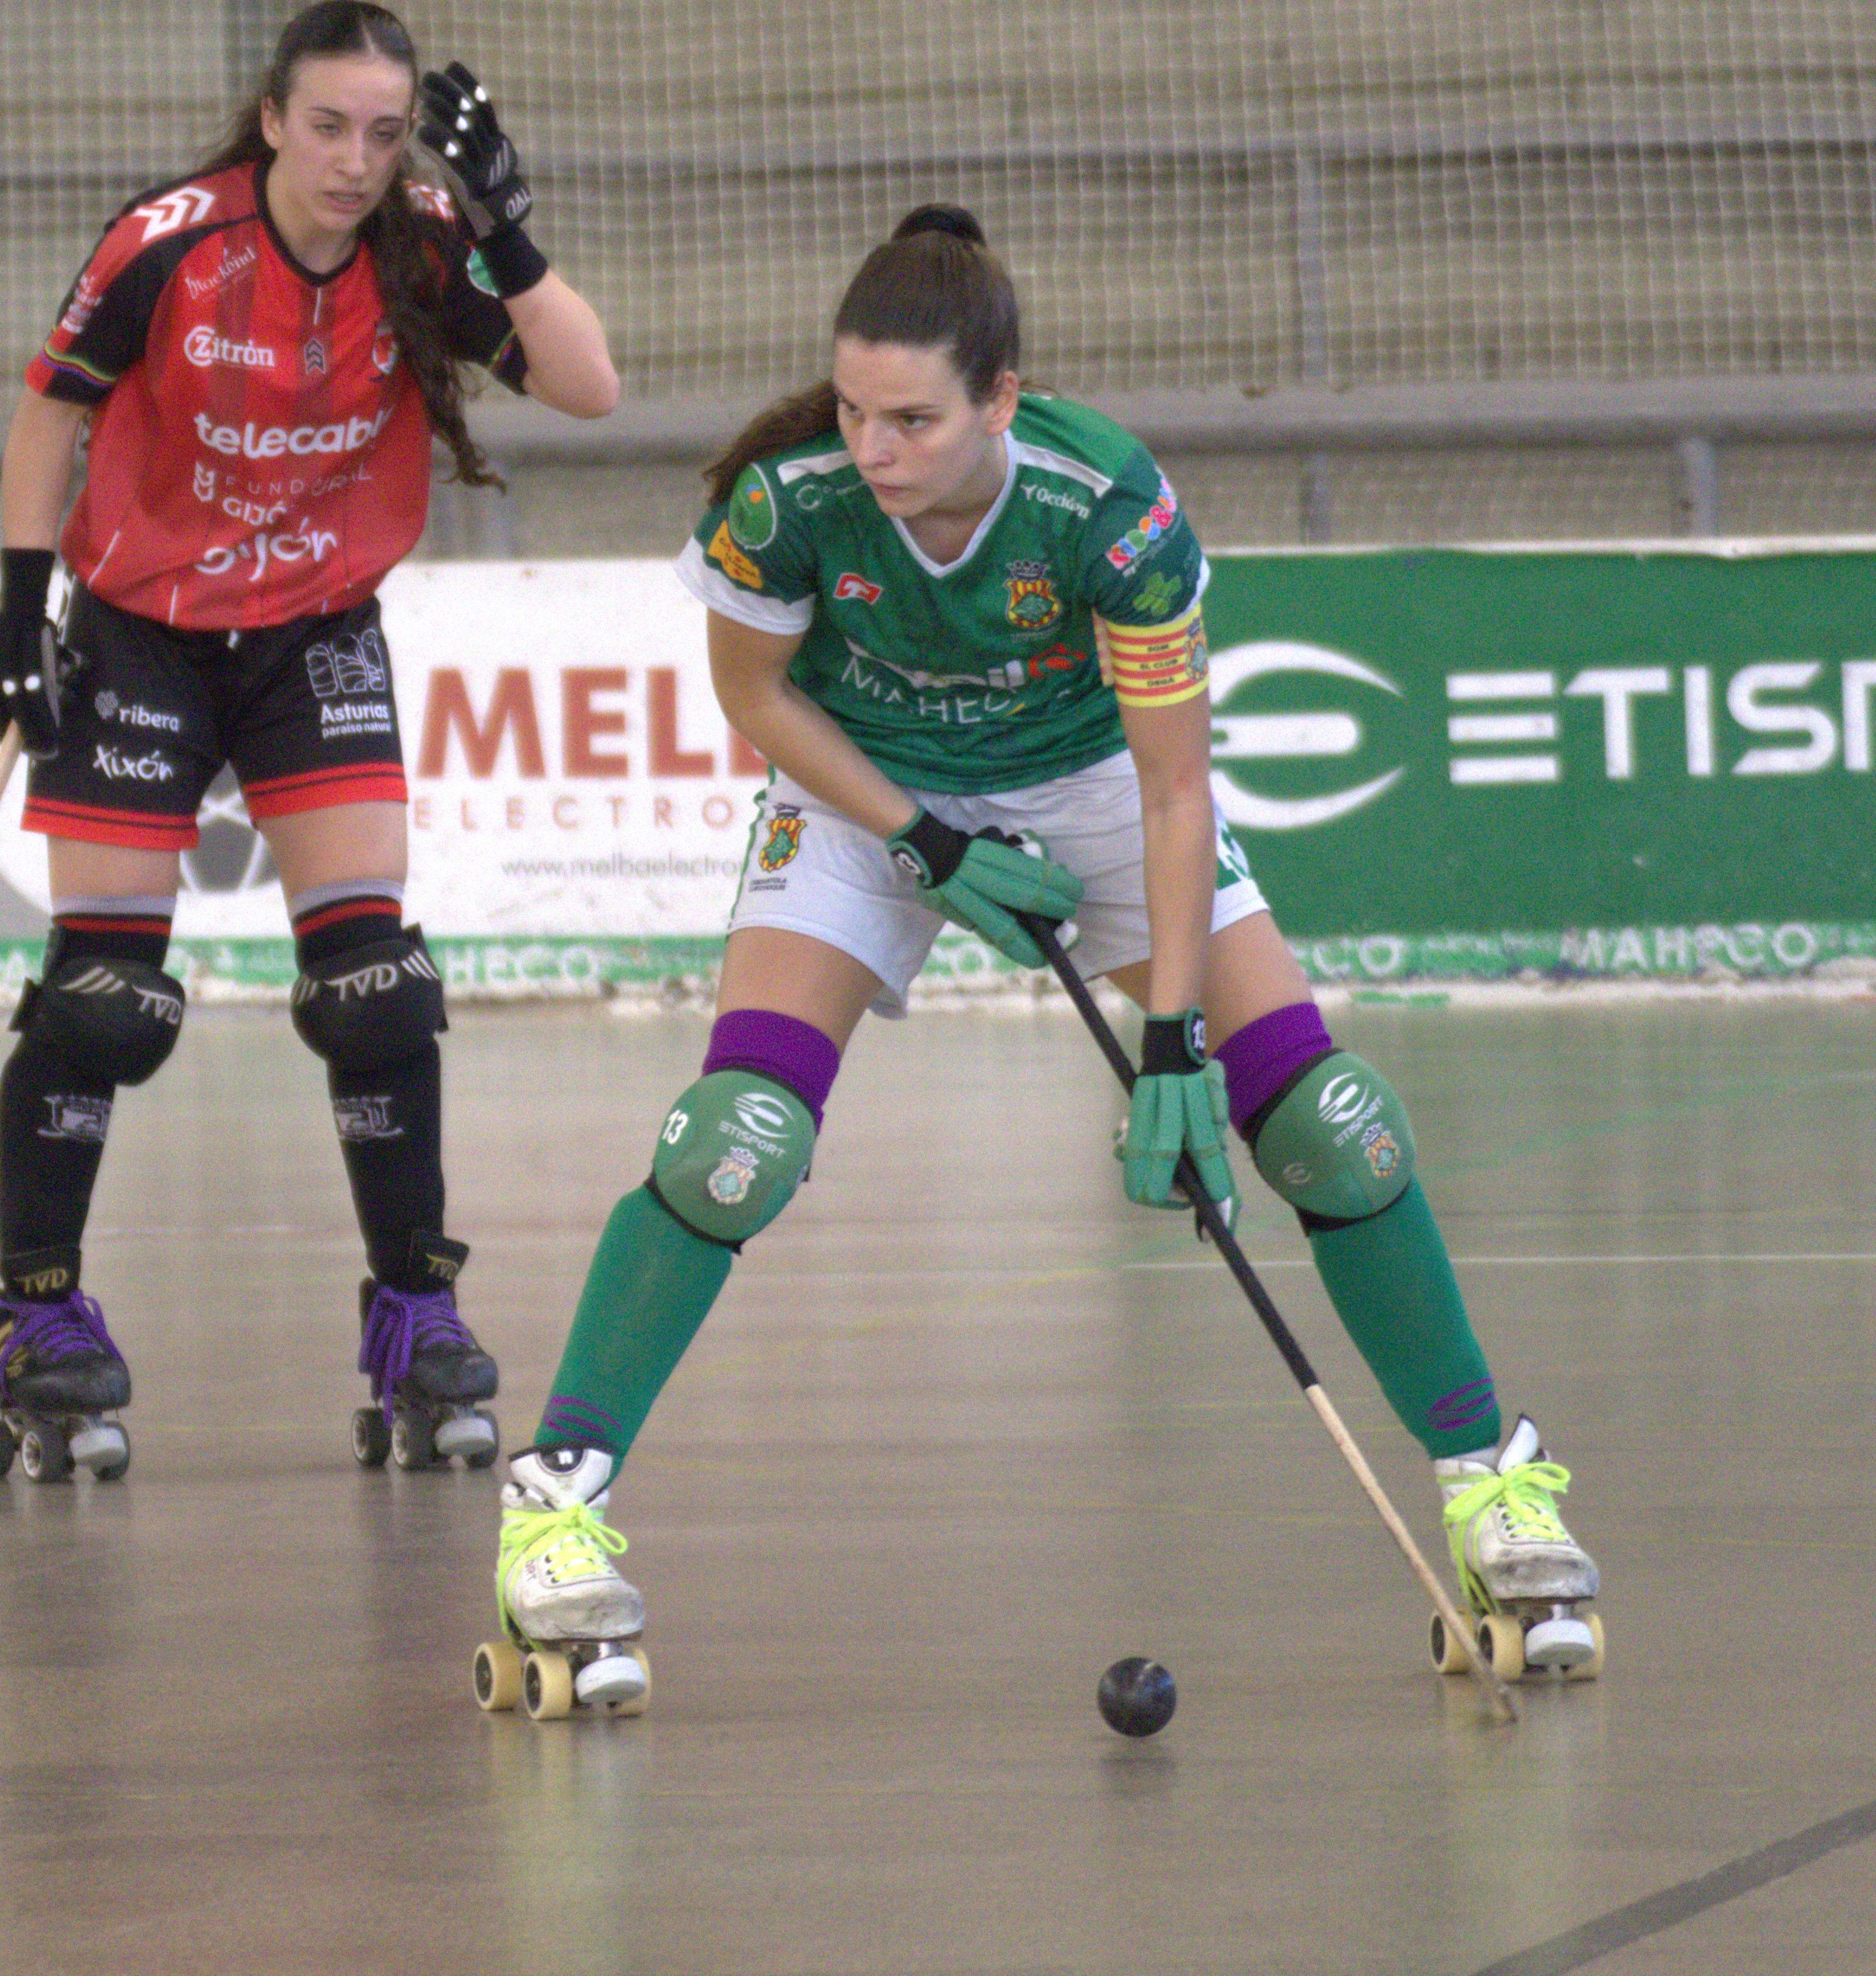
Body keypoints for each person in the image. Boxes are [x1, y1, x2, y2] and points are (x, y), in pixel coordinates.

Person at [477, 207, 1599, 1717]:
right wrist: (921, 839)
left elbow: (1175, 788)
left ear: (999, 400)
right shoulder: (789, 499)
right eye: (856, 410)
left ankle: (1489, 1486)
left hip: (1090, 789)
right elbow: (755, 694)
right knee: (730, 1142)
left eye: (914, 420)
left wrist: (1177, 1044)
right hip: (859, 786)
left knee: (1329, 1129)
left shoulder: (1107, 508)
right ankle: (554, 1508)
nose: (873, 448)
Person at [0, 0, 622, 1481]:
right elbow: (48, 412)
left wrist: (507, 226)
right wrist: (20, 607)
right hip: (139, 626)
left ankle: (413, 1308)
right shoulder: (169, 244)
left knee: (377, 984)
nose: (353, 160)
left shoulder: (420, 247)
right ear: (271, 118)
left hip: (313, 631)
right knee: (100, 1001)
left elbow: (590, 385)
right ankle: (34, 1314)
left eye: (386, 135)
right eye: (327, 125)